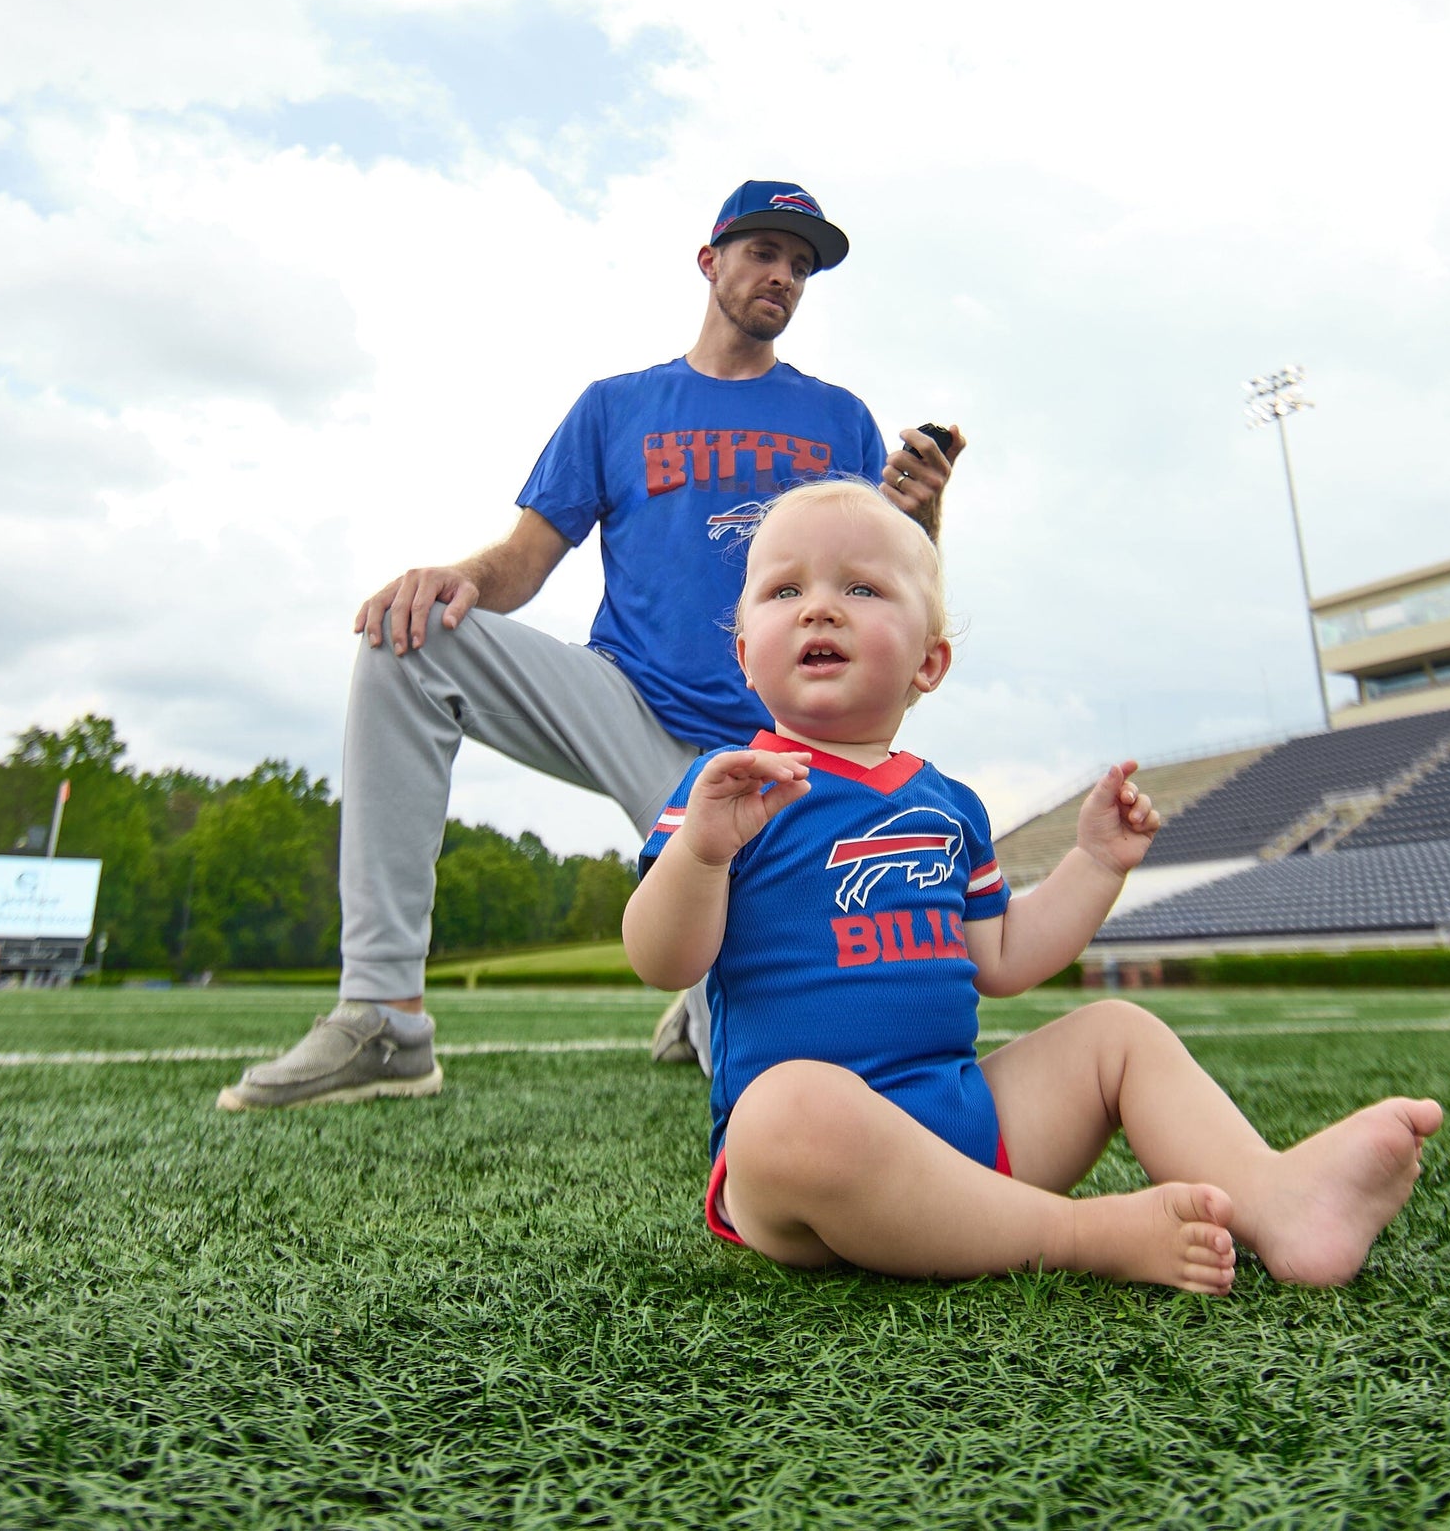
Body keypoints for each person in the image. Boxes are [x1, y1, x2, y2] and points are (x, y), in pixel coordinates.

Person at [218, 183, 963, 1111]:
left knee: (787, 1055)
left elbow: (886, 588)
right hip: (626, 705)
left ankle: (710, 999)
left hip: (771, 763)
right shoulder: (617, 406)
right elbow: (526, 560)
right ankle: (383, 1019)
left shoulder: (838, 417)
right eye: (765, 252)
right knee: (406, 644)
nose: (784, 276)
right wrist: (450, 579)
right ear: (711, 262)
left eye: (802, 265)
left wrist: (923, 512)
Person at [622, 480, 1444, 1290]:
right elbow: (664, 960)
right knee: (788, 1107)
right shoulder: (728, 790)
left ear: (929, 661)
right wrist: (700, 853)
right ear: (743, 656)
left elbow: (1005, 957)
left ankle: (1278, 1202)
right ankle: (1081, 1233)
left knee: (1118, 1033)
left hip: (967, 1132)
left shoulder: (948, 806)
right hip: (807, 1173)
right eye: (784, 589)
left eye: (862, 587)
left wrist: (1093, 867)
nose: (819, 607)